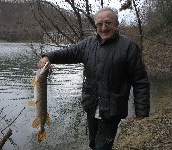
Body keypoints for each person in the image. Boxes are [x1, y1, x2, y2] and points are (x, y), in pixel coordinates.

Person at [38, 6, 150, 150]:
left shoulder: (128, 47)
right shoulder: (88, 44)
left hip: (112, 110)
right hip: (91, 106)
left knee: (102, 146)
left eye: (108, 23)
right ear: (96, 25)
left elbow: (140, 82)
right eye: (99, 24)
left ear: (117, 24)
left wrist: (141, 112)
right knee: (93, 143)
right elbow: (68, 53)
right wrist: (48, 56)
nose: (104, 27)